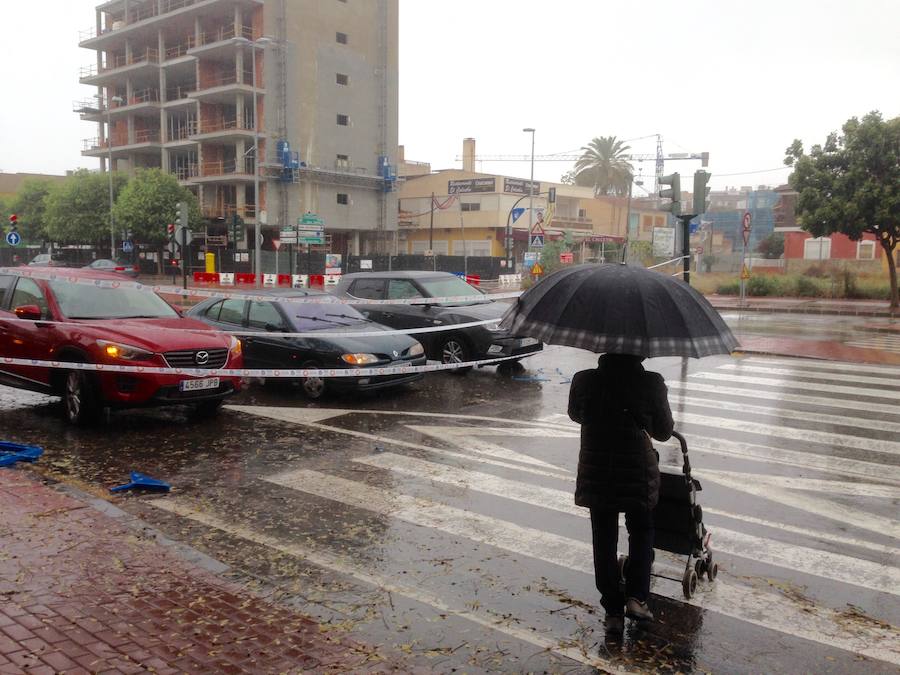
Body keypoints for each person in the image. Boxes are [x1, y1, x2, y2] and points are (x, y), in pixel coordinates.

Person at [567, 353, 674, 638]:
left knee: (603, 538)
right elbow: (664, 432)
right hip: (637, 471)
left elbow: (575, 414)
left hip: (597, 469)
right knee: (641, 531)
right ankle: (636, 599)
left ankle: (612, 611)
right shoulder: (651, 383)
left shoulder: (584, 380)